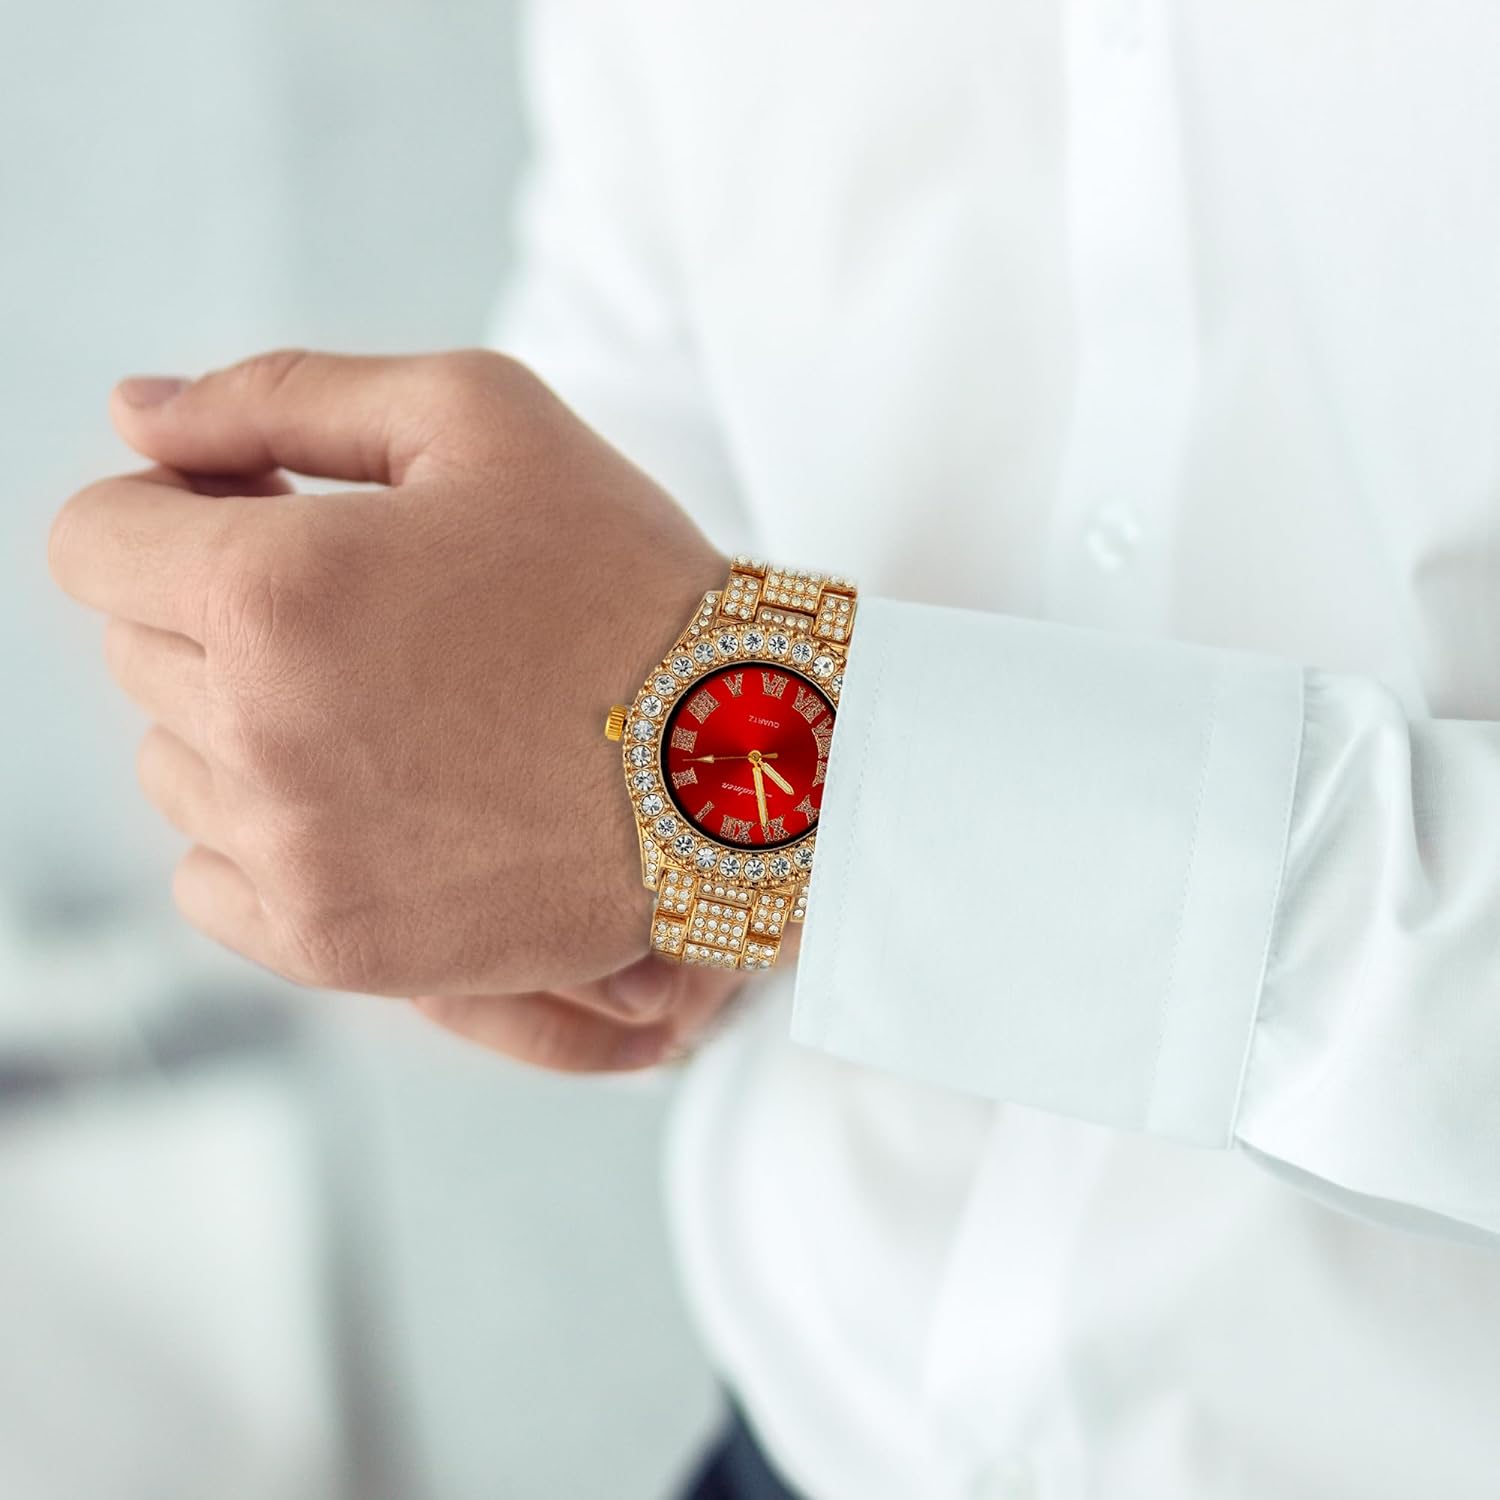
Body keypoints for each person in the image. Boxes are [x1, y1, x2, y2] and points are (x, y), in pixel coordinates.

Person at [47, 1, 1500, 1496]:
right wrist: (482, 772)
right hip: (813, 1430)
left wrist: (767, 790)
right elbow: (645, 412)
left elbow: (700, 721)